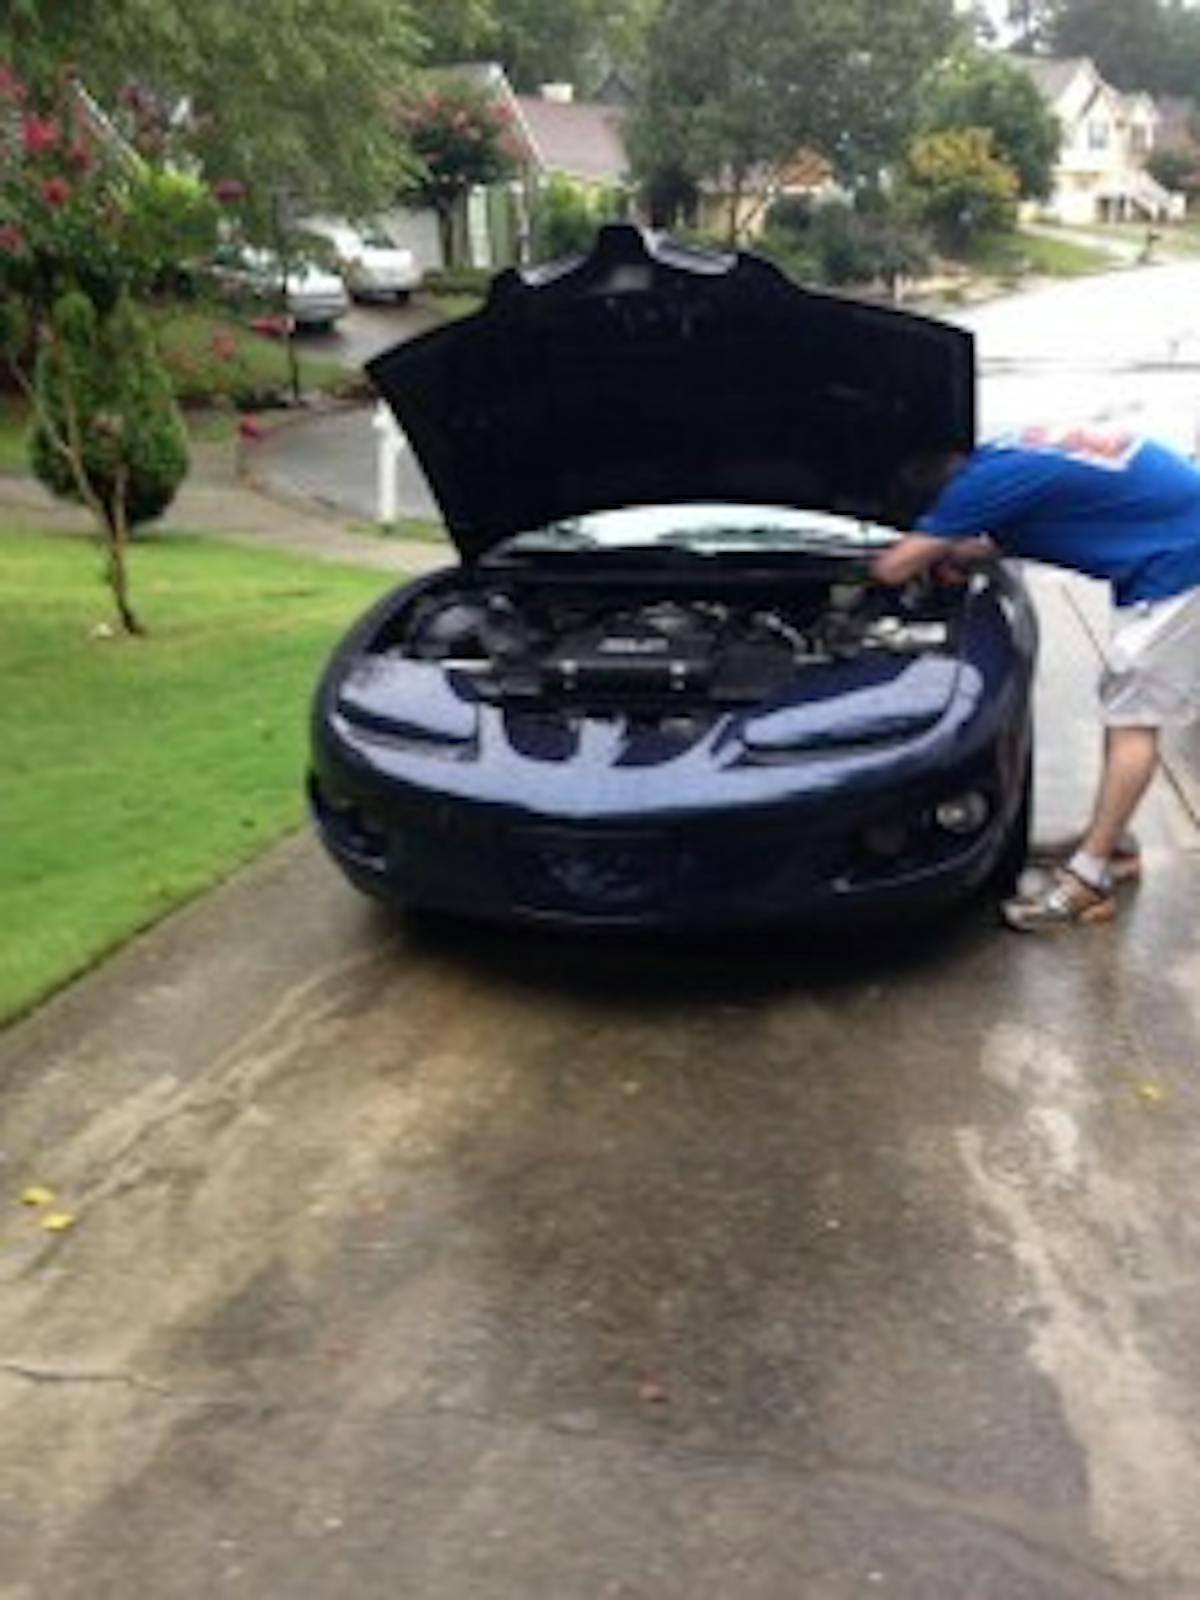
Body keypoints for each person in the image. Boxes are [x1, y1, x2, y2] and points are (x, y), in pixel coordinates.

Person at [872, 425, 1200, 931]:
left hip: (1181, 563)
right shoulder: (999, 459)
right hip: (1177, 528)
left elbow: (892, 570)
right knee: (1123, 710)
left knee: (1133, 722)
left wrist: (923, 547)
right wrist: (957, 550)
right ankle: (1109, 843)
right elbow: (1027, 522)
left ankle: (1089, 880)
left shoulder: (976, 490)